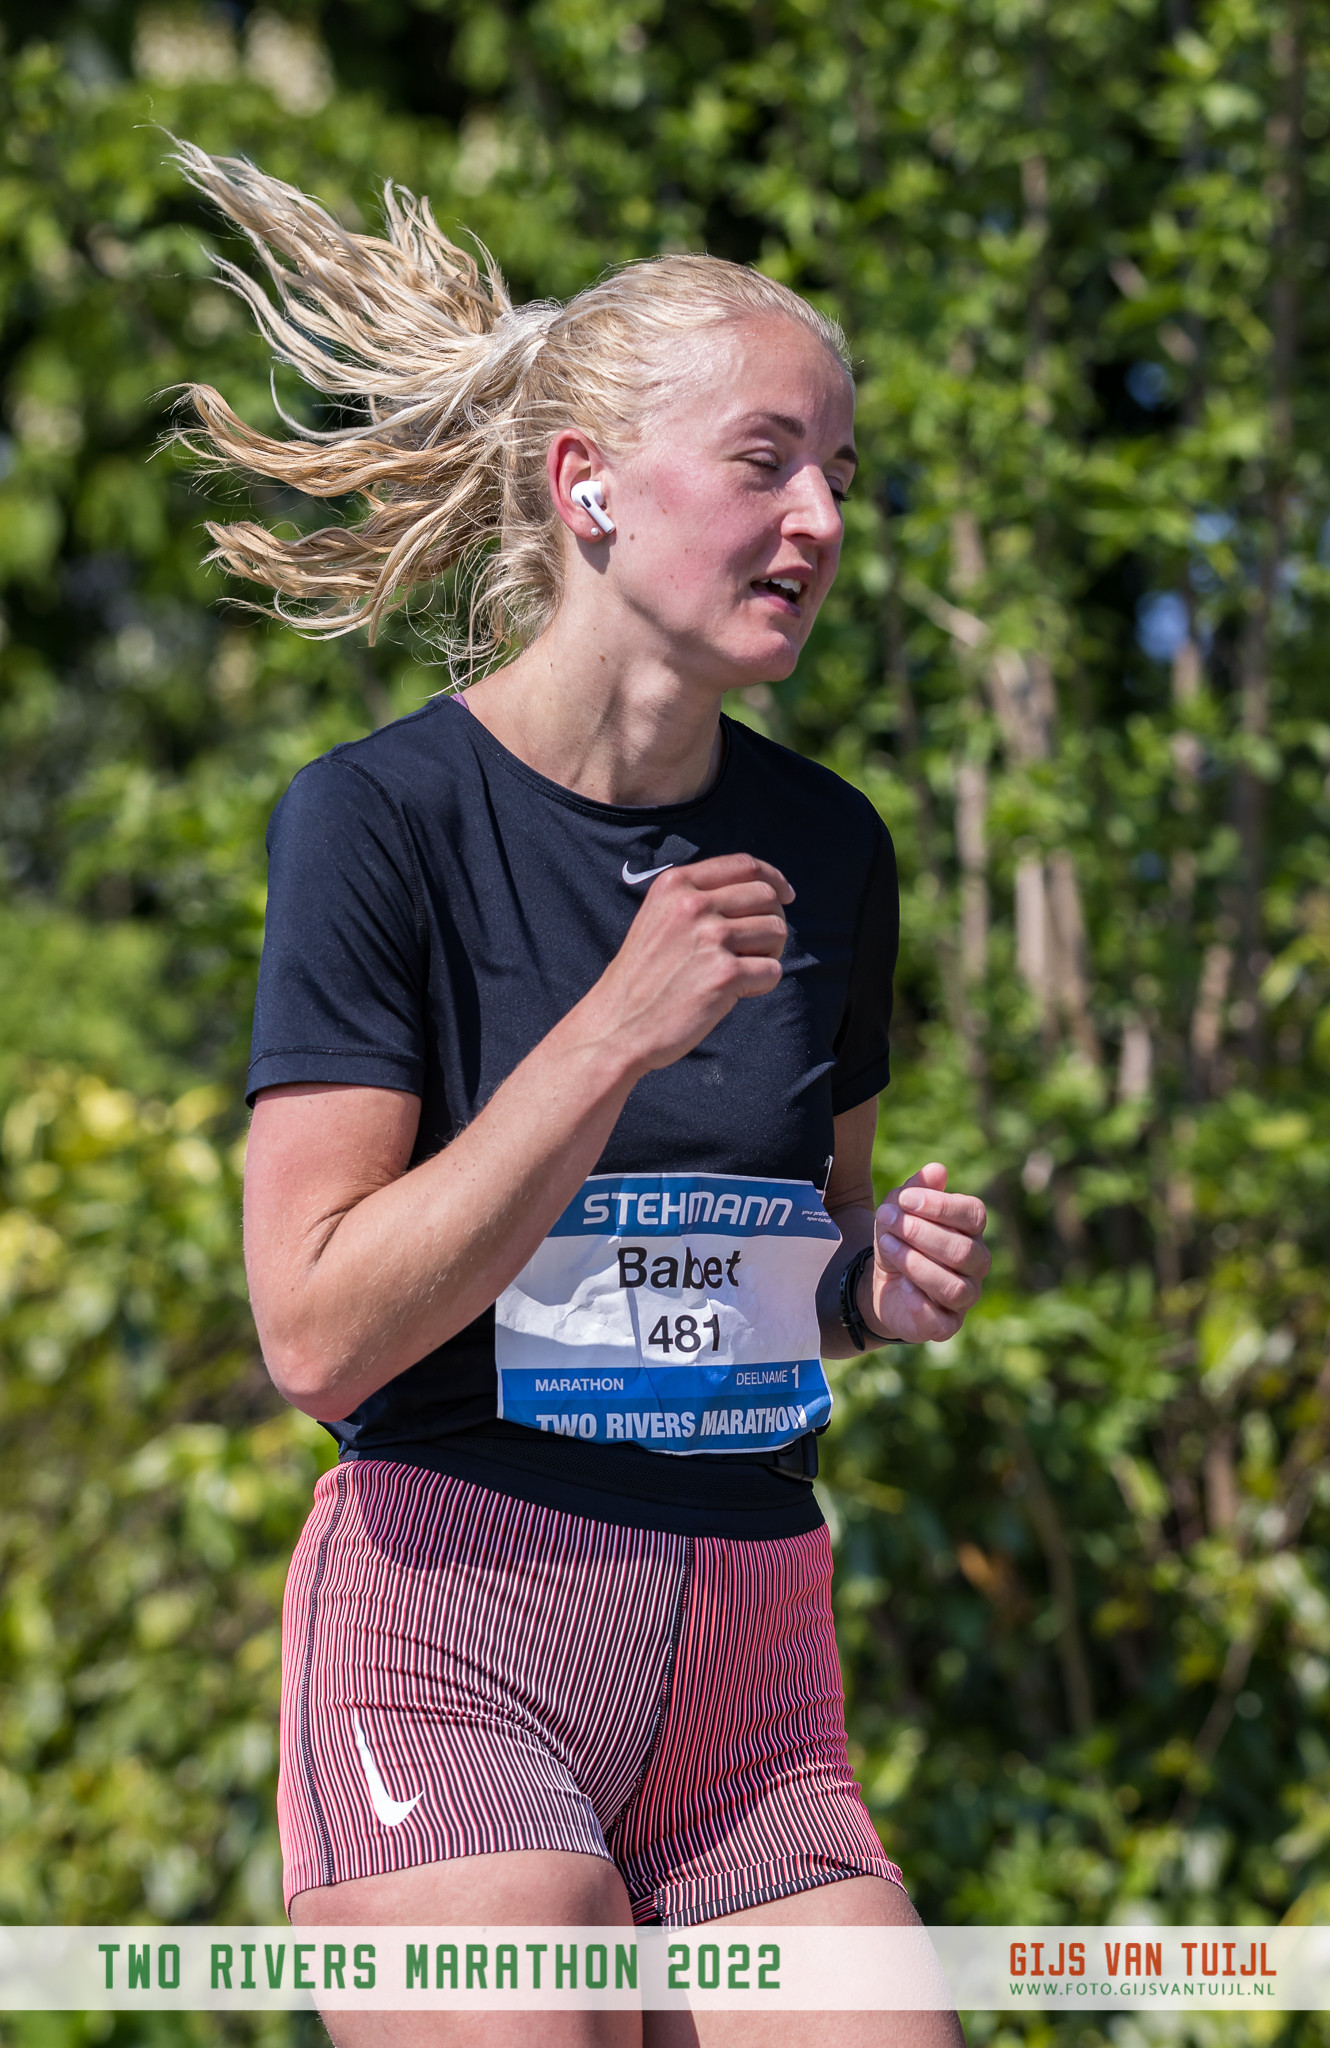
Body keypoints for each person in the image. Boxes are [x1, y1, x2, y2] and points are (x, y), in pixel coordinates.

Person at [179, 139, 990, 2048]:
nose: (821, 519)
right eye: (767, 460)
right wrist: (610, 1033)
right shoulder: (378, 821)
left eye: (841, 472)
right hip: (453, 1629)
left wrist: (870, 1283)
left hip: (752, 1674)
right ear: (589, 486)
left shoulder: (832, 848)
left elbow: (777, 1273)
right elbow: (315, 1328)